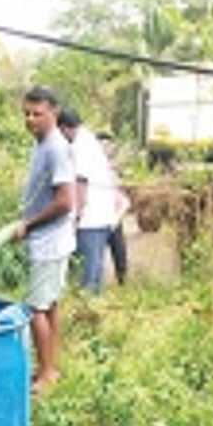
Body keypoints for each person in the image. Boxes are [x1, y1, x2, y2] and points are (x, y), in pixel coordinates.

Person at [16, 86, 76, 395]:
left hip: (49, 241)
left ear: (53, 113)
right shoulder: (41, 145)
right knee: (50, 304)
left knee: (35, 308)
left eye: (37, 114)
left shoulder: (54, 147)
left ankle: (46, 374)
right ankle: (50, 368)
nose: (30, 119)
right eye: (26, 113)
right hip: (49, 239)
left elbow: (66, 200)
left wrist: (29, 224)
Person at [58, 109, 121, 293]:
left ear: (64, 128)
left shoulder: (80, 146)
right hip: (100, 218)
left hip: (90, 219)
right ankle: (93, 310)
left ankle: (86, 310)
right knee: (94, 271)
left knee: (87, 274)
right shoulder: (88, 141)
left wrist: (75, 215)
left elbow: (81, 182)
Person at [96, 131, 130, 286]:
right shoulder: (90, 168)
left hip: (115, 218)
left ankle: (122, 282)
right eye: (102, 145)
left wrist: (119, 213)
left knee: (119, 252)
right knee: (96, 254)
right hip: (97, 218)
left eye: (108, 145)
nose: (105, 148)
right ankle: (95, 286)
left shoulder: (114, 170)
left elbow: (121, 195)